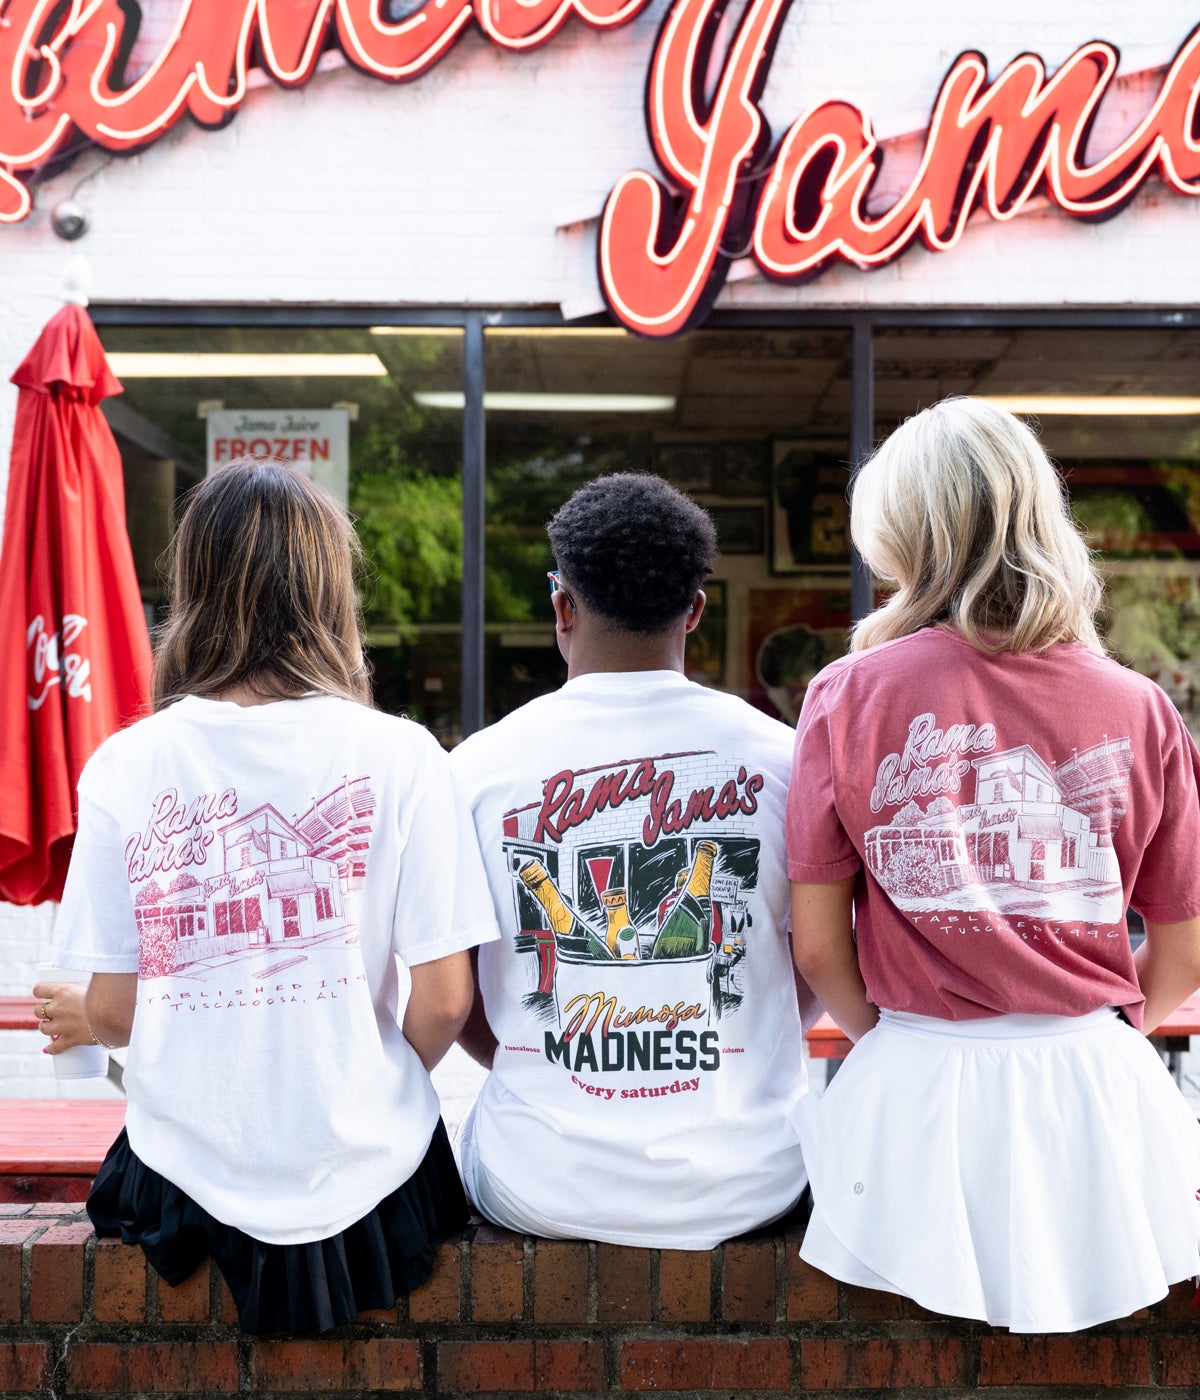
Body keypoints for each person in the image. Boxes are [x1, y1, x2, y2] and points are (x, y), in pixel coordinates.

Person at [787, 398, 1200, 1334]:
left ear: (904, 534)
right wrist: (1096, 1037)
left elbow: (817, 948)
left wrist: (893, 1042)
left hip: (913, 1084)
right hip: (1096, 1092)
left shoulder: (847, 694)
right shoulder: (1139, 705)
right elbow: (1189, 956)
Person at [47, 461, 499, 1333]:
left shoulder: (123, 764)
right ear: (329, 590)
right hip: (377, 1175)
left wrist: (92, 1014)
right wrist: (360, 1071)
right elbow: (446, 1001)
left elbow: (116, 1011)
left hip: (181, 1179)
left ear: (194, 588)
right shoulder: (403, 754)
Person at [451, 472, 809, 1247]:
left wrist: (546, 1055)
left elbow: (456, 995)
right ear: (695, 610)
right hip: (749, 1182)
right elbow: (811, 966)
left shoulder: (476, 770)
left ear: (562, 605)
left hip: (538, 1183)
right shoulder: (787, 761)